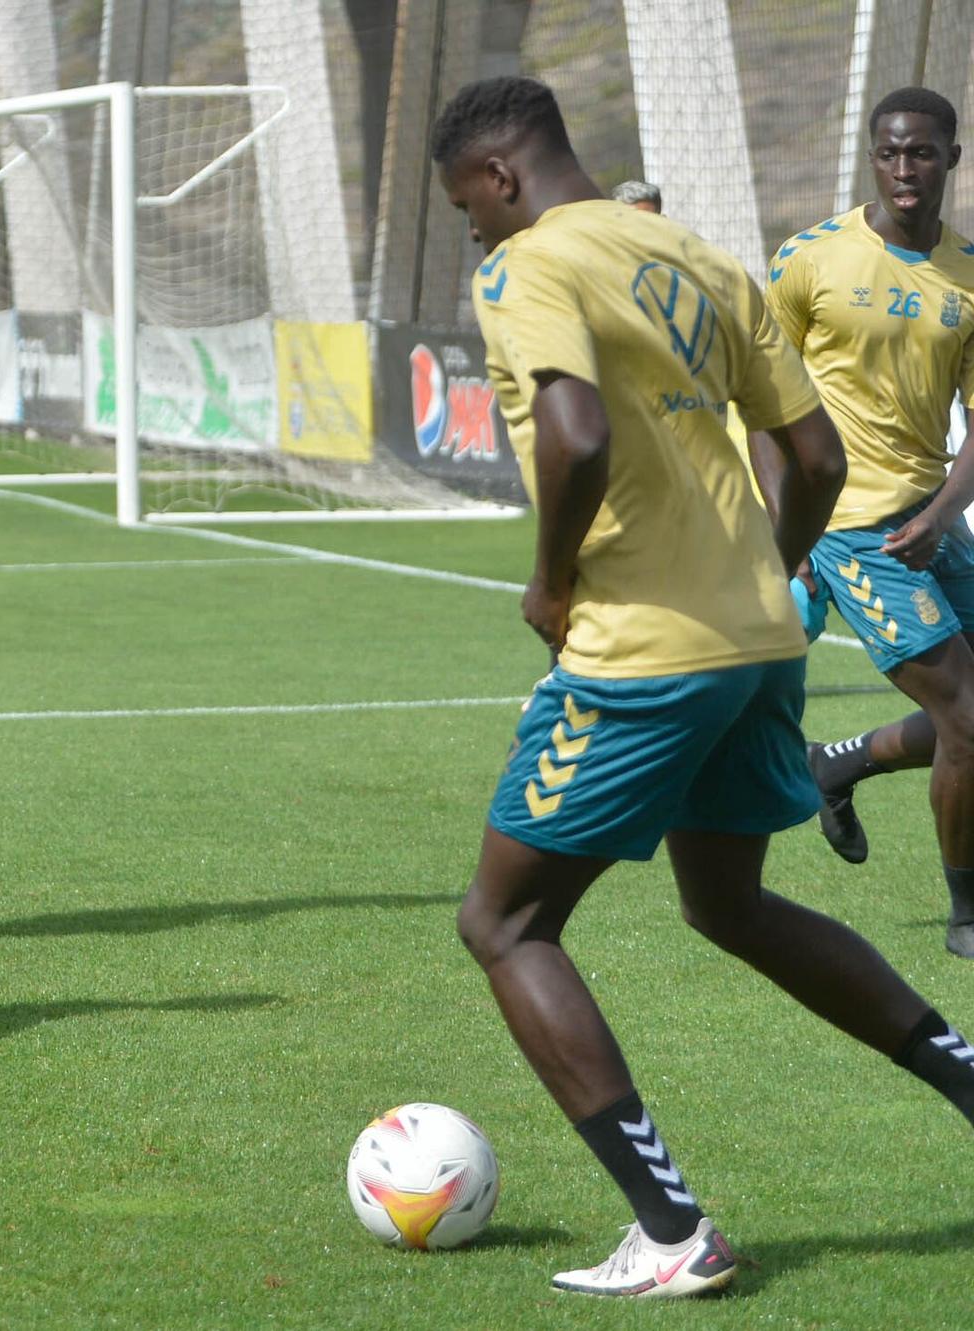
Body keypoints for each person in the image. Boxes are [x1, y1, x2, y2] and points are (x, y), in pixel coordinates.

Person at [433, 75, 974, 1299]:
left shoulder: (527, 266)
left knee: (503, 921)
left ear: (500, 176)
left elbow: (569, 433)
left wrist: (548, 580)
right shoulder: (698, 256)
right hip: (758, 635)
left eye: (465, 201)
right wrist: (763, 580)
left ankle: (672, 1230)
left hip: (642, 648)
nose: (470, 226)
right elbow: (816, 454)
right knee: (725, 903)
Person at [749, 87, 974, 959]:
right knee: (966, 712)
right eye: (890, 153)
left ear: (952, 155)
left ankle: (835, 765)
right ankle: (965, 915)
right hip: (848, 528)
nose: (905, 168)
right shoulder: (810, 260)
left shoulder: (967, 273)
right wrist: (791, 535)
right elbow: (763, 406)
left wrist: (945, 514)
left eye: (922, 152)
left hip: (931, 519)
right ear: (871, 158)